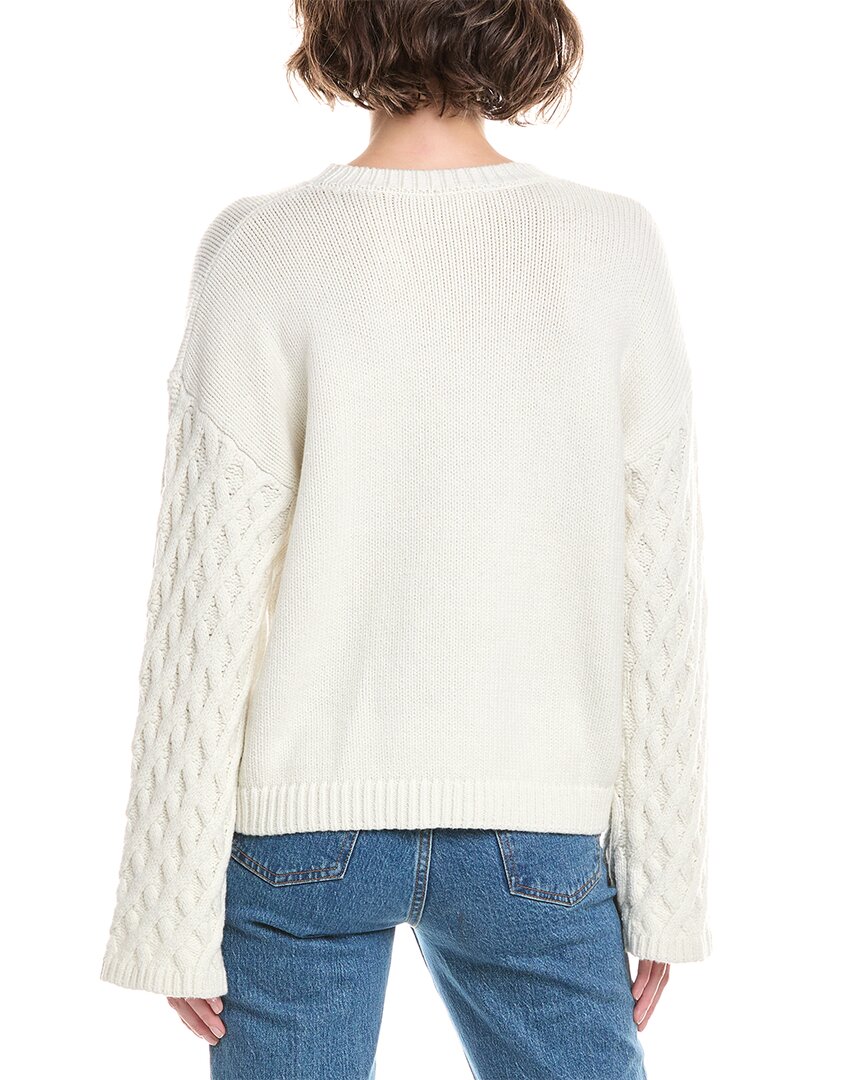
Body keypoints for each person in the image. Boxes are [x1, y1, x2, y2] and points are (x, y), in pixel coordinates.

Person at [99, 2, 711, 1077]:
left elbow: (204, 599)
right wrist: (667, 890)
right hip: (536, 821)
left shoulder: (262, 244)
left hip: (299, 829)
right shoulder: (611, 241)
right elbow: (657, 583)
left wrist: (169, 906)